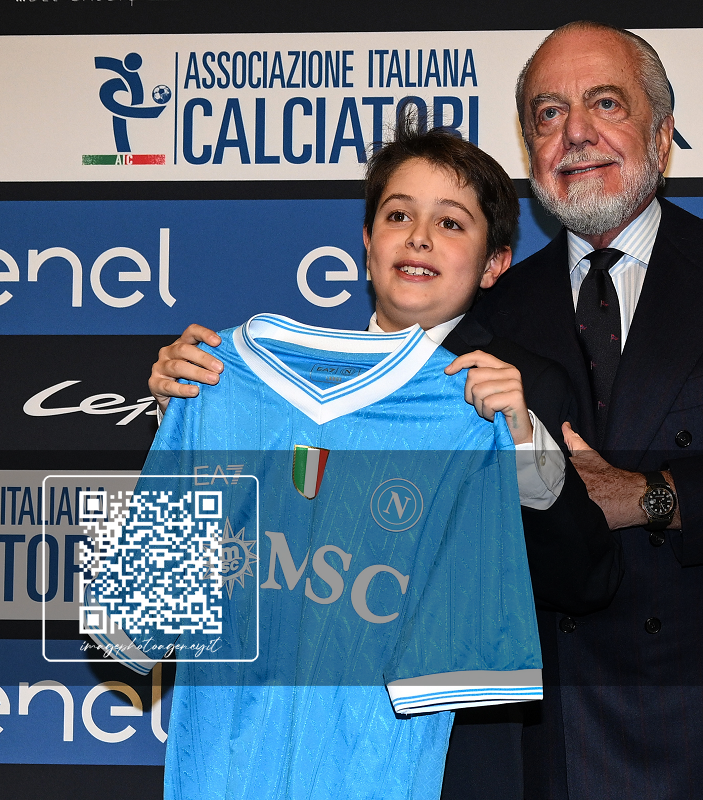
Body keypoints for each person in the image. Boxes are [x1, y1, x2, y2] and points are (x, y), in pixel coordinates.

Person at [150, 20, 703, 799]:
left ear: (662, 135)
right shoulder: (472, 326)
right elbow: (317, 493)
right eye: (548, 113)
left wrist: (650, 496)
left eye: (605, 103)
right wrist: (194, 414)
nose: (575, 131)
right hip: (545, 746)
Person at [147, 122, 621, 799]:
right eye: (398, 215)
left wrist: (519, 443)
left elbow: (586, 580)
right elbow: (178, 577)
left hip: (449, 761)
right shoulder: (246, 380)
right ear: (367, 245)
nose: (419, 237)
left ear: (495, 264)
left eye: (450, 223)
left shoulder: (516, 390)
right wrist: (188, 419)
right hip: (259, 747)